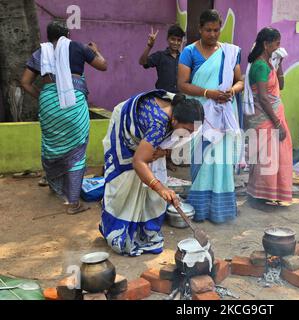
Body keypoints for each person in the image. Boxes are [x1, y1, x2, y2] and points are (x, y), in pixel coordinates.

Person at [100, 91, 204, 256]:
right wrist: (160, 188)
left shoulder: (181, 110)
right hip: (125, 133)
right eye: (186, 130)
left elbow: (165, 145)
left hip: (148, 136)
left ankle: (146, 231)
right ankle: (118, 233)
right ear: (174, 120)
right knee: (127, 185)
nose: (189, 135)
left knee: (153, 181)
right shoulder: (157, 125)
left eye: (192, 131)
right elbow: (138, 162)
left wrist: (161, 152)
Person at [21, 20, 107, 214]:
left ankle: (55, 186)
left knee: (51, 146)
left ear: (48, 35)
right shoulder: (78, 47)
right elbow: (103, 66)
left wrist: (45, 96)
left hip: (49, 104)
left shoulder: (40, 53)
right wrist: (96, 50)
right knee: (77, 150)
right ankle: (73, 203)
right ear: (67, 35)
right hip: (73, 103)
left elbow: (25, 82)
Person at [178, 9, 244, 223]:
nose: (213, 34)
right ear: (200, 29)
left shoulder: (229, 52)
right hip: (200, 112)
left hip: (224, 111)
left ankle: (221, 210)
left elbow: (240, 81)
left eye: (216, 30)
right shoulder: (189, 52)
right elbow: (183, 84)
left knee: (222, 160)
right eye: (208, 30)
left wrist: (231, 91)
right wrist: (209, 93)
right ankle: (200, 208)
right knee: (202, 158)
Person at [244, 27, 293, 210]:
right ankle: (260, 196)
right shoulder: (259, 66)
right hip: (267, 117)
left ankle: (271, 194)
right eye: (277, 44)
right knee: (267, 157)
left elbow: (281, 84)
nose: (279, 47)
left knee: (277, 155)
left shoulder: (268, 63)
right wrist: (277, 123)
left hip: (272, 115)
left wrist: (280, 63)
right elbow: (264, 98)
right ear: (266, 44)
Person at [138, 24, 185, 93]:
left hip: (179, 98)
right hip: (162, 97)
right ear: (167, 39)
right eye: (173, 39)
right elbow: (142, 62)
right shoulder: (160, 56)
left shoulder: (184, 58)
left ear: (181, 42)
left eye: (179, 40)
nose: (176, 43)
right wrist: (149, 46)